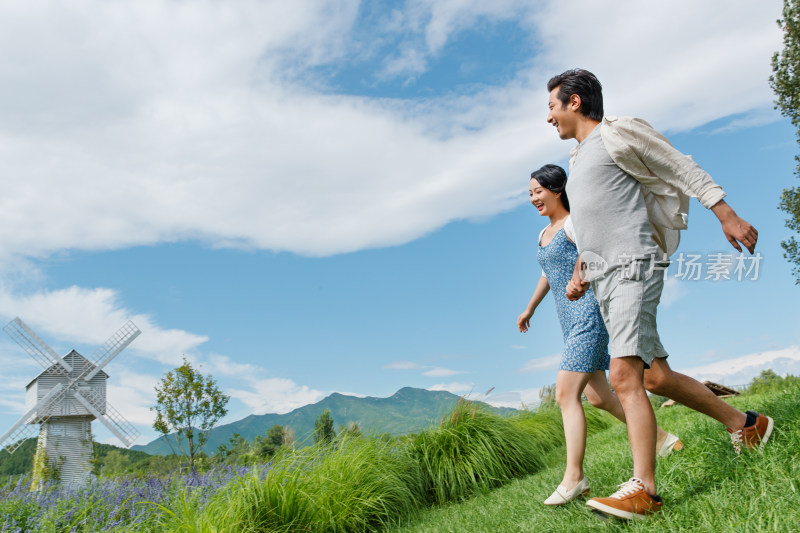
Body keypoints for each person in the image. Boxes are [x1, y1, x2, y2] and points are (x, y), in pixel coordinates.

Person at [544, 68, 773, 520]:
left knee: (624, 376)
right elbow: (595, 223)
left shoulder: (618, 133)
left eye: (551, 107)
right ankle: (747, 425)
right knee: (655, 379)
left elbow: (678, 164)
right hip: (606, 276)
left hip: (634, 264)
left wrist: (725, 213)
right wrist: (582, 270)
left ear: (574, 102)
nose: (548, 118)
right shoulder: (577, 160)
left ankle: (644, 489)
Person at [517, 164, 682, 507]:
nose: (533, 198)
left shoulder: (576, 224)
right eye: (530, 193)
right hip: (568, 319)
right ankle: (663, 440)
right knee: (597, 397)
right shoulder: (544, 234)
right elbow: (548, 274)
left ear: (557, 190)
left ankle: (574, 477)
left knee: (565, 394)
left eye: (538, 191)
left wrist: (582, 275)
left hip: (589, 312)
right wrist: (530, 308)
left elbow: (593, 254)